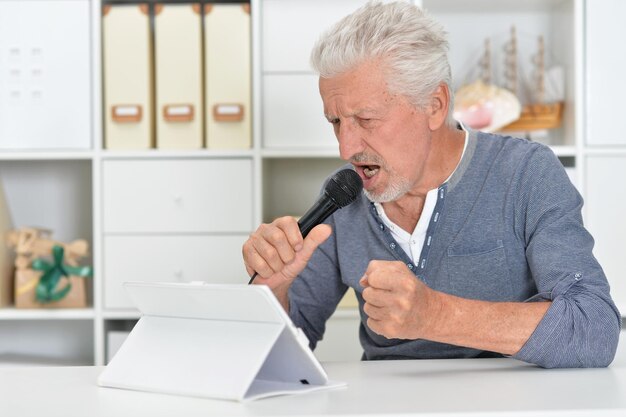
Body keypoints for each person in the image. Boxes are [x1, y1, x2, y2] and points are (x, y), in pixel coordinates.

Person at [242, 1, 621, 368]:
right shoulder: (343, 196)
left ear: (435, 105)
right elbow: (279, 356)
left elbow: (593, 329)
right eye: (336, 122)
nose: (346, 147)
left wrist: (434, 314)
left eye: (366, 118)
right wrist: (273, 291)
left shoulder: (527, 174)